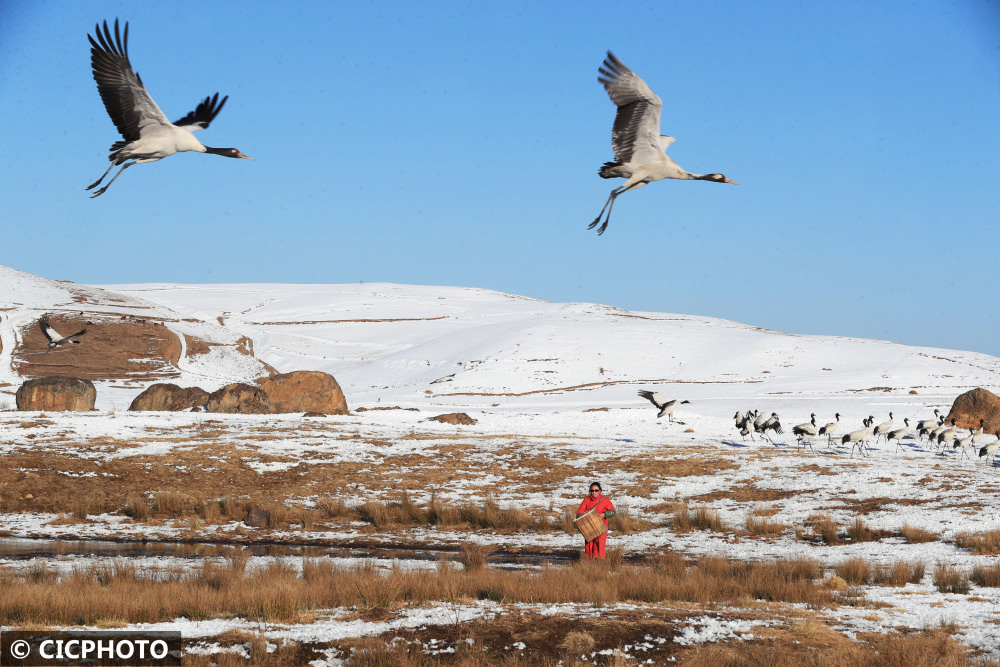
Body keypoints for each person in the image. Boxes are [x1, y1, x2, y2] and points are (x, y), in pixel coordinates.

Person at [576, 481, 616, 559]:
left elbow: (613, 511)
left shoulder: (605, 500)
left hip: (601, 527)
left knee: (600, 545)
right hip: (589, 527)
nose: (594, 492)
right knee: (589, 545)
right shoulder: (587, 499)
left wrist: (604, 514)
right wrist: (581, 520)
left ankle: (600, 564)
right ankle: (589, 564)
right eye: (592, 491)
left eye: (596, 490)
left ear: (600, 490)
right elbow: (580, 511)